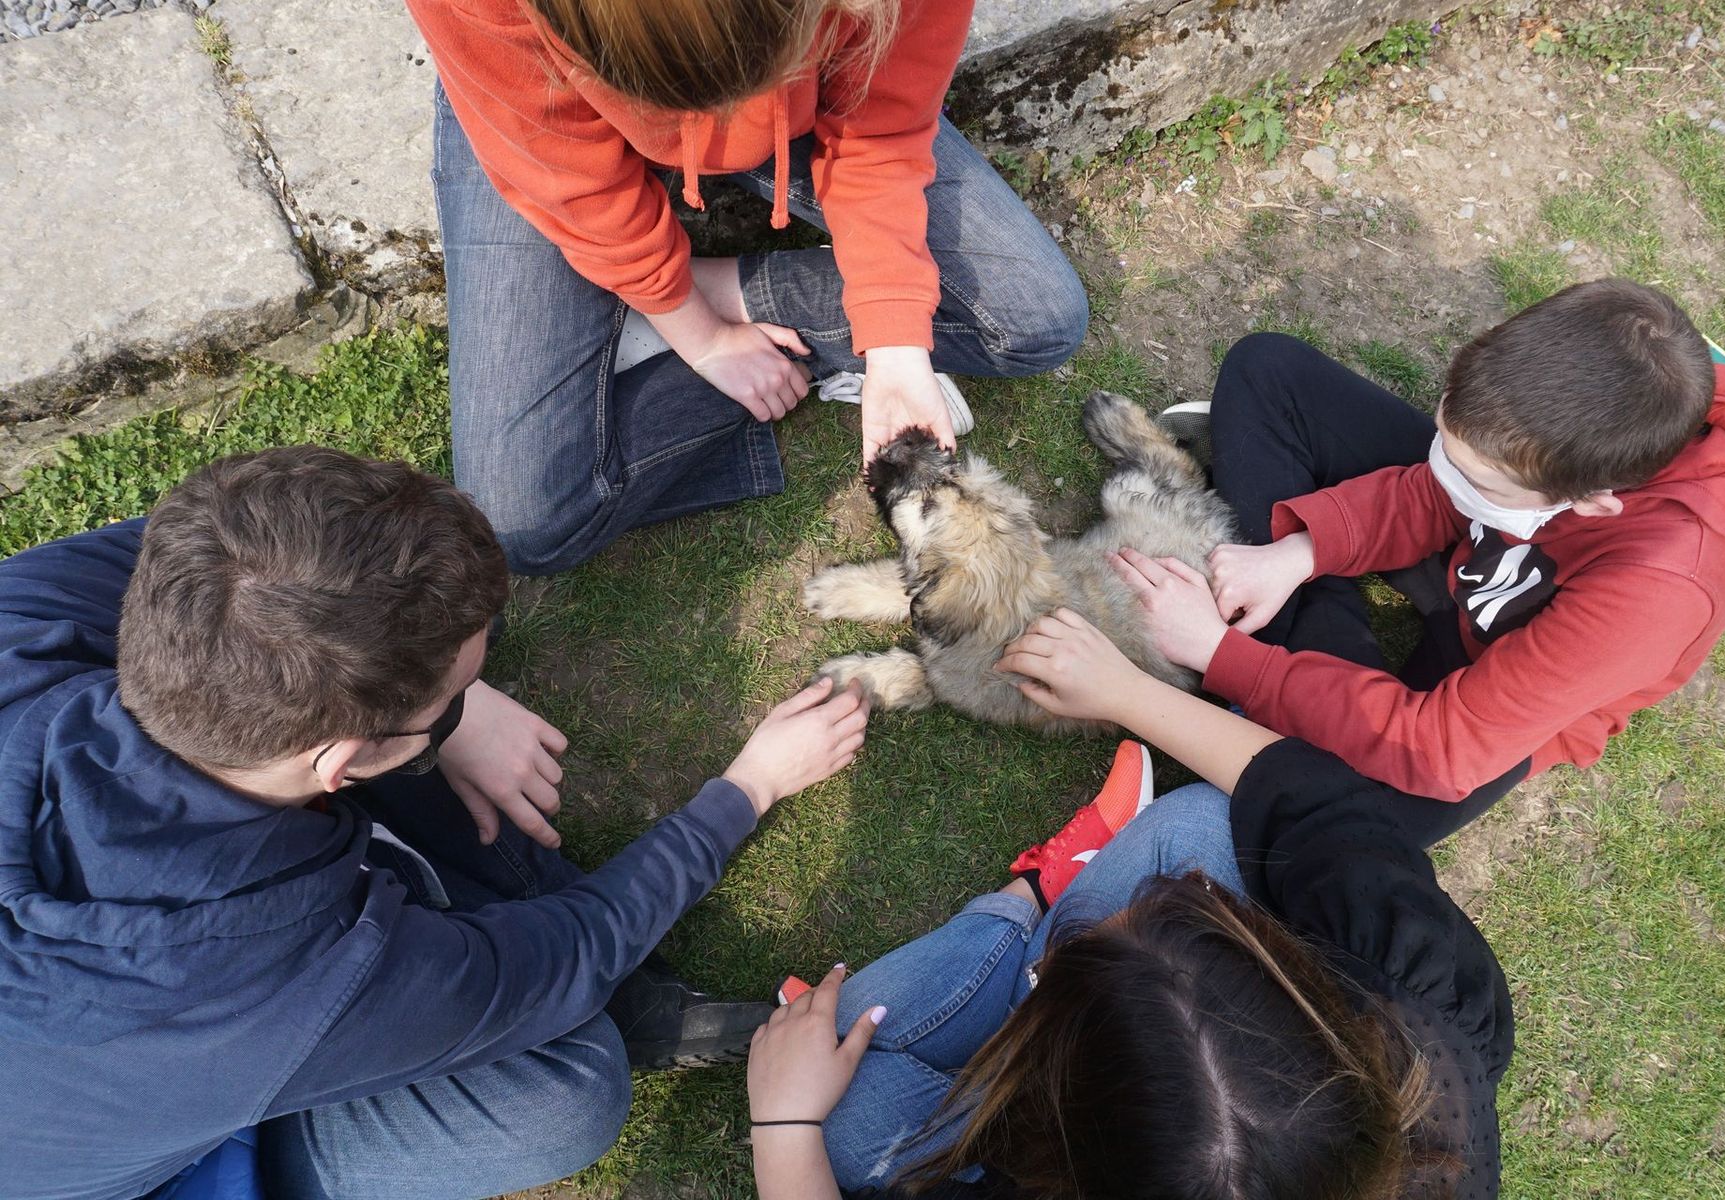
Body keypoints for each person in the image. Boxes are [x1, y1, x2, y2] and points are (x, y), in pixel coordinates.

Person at [0, 446, 868, 1200]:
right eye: (450, 697)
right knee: (571, 1088)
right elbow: (568, 952)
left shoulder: (37, 614)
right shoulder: (288, 971)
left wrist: (449, 707)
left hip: (94, 1060)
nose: (467, 698)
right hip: (123, 1144)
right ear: (339, 759)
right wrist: (747, 788)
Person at [744, 653, 1513, 1198]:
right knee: (1208, 823)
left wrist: (781, 1125)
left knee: (840, 1104)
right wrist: (1126, 690)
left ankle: (1028, 906)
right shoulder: (1428, 997)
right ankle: (1037, 919)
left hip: (1010, 1140)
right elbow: (1309, 797)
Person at [1117, 279, 1725, 845]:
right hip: (1491, 555)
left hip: (1487, 696)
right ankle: (1308, 644)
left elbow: (1442, 749)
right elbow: (1440, 493)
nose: (1447, 470)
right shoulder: (1596, 379)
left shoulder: (1659, 591)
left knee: (1362, 823)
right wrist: (1303, 551)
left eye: (1481, 479)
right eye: (1446, 433)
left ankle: (1295, 661)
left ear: (1591, 503)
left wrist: (1226, 656)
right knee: (1267, 371)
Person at [407, 0, 1090, 574]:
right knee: (522, 524)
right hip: (542, 114)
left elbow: (878, 133)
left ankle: (693, 292)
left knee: (1035, 319)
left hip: (801, 109)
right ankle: (650, 297)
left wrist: (895, 344)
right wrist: (700, 339)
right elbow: (572, 184)